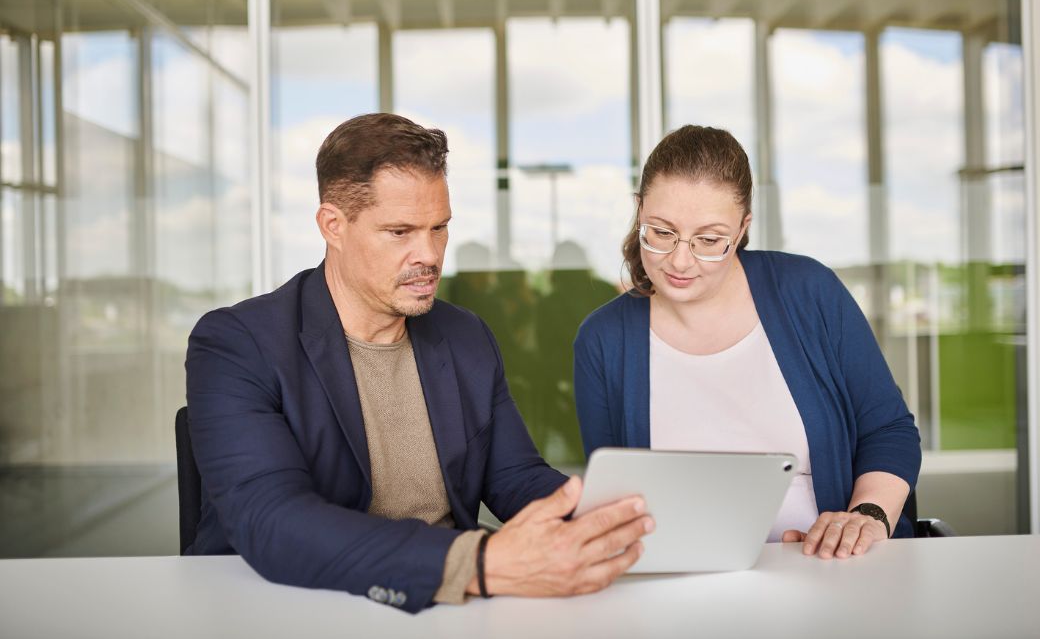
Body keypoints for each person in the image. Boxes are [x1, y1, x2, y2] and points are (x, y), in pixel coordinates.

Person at [185, 113, 652, 613]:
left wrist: (617, 518)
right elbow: (272, 521)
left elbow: (516, 478)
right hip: (295, 606)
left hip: (454, 608)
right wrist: (478, 563)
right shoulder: (237, 343)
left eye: (439, 227)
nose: (429, 254)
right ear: (333, 226)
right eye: (400, 231)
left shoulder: (464, 335)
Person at [573, 125, 921, 559]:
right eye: (661, 232)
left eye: (710, 240)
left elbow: (888, 429)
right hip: (678, 582)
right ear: (640, 210)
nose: (681, 260)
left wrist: (866, 517)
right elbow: (615, 495)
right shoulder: (603, 341)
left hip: (834, 568)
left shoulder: (809, 292)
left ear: (742, 230)